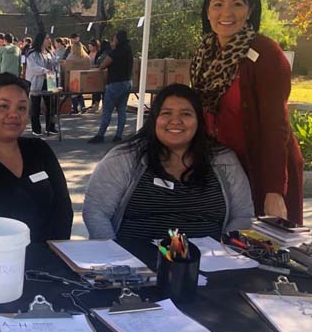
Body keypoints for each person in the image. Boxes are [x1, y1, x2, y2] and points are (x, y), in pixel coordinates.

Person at [190, 0, 304, 224]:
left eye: (237, 4)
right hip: (223, 168)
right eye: (217, 4)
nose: (226, 13)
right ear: (207, 11)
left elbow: (276, 126)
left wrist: (274, 190)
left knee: (265, 247)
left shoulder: (265, 54)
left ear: (250, 9)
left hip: (263, 168)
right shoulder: (203, 54)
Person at [83, 84, 253, 241]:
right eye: (166, 113)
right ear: (154, 119)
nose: (175, 121)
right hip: (134, 267)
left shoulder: (224, 160)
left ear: (198, 121)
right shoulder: (125, 157)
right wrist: (114, 259)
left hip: (209, 265)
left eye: (186, 114)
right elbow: (96, 211)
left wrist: (227, 252)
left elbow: (243, 215)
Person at [0, 73, 72, 242]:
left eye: (21, 108)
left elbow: (63, 208)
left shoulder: (40, 150)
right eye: (3, 107)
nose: (14, 114)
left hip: (51, 258)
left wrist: (55, 251)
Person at [88, 29, 134, 143]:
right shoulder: (128, 50)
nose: (113, 41)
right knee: (122, 110)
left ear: (118, 39)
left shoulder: (116, 52)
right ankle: (118, 135)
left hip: (115, 83)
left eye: (114, 39)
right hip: (127, 82)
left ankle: (100, 135)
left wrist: (99, 68)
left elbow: (103, 65)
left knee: (107, 110)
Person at [24, 33, 59, 136]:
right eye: (47, 38)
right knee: (36, 106)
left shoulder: (49, 52)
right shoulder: (32, 53)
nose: (49, 40)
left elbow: (54, 65)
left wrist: (54, 68)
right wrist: (46, 71)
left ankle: (51, 127)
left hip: (50, 80)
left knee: (51, 105)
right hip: (37, 81)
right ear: (41, 40)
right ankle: (36, 129)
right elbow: (34, 68)